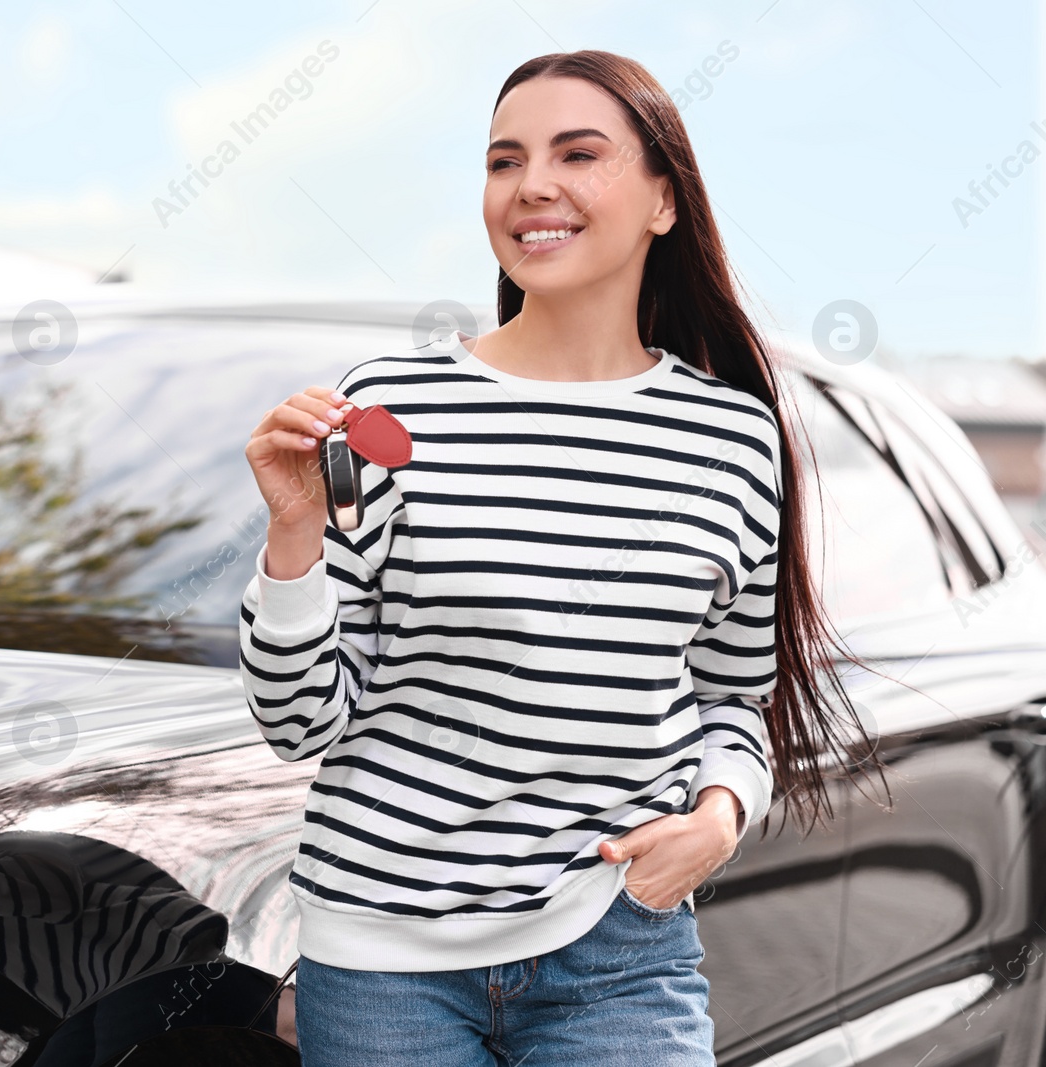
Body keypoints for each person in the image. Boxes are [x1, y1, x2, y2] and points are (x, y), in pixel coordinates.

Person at [237, 49, 871, 1066]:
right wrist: (291, 535)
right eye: (504, 160)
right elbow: (299, 719)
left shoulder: (731, 439)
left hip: (620, 951)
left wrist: (719, 815)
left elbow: (733, 701)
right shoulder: (389, 414)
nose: (531, 184)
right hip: (383, 961)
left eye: (579, 154)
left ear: (664, 199)